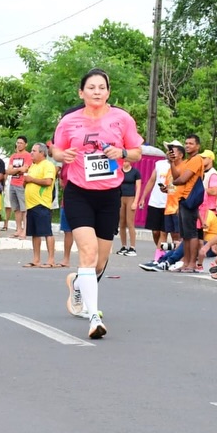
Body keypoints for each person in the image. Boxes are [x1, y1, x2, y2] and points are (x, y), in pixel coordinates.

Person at [51, 68, 143, 339]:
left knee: (100, 262)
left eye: (102, 87)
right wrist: (62, 155)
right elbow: (56, 149)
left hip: (109, 194)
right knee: (88, 254)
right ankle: (94, 317)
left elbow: (137, 152)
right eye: (91, 87)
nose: (97, 92)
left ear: (108, 92)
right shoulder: (69, 121)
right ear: (81, 92)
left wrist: (123, 152)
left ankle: (77, 283)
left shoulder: (122, 119)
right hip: (79, 192)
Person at [170, 134, 206, 273]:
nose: (188, 145)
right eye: (186, 143)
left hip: (190, 198)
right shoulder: (187, 161)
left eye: (191, 143)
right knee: (185, 234)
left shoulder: (197, 159)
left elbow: (182, 179)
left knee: (191, 233)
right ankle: (185, 261)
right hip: (183, 199)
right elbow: (176, 175)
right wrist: (172, 162)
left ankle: (192, 263)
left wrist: (174, 182)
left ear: (197, 146)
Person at [22, 142, 57, 267]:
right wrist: (26, 181)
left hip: (42, 203)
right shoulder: (32, 166)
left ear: (42, 153)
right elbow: (27, 182)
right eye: (31, 150)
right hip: (31, 205)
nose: (31, 152)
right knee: (35, 233)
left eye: (34, 151)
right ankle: (36, 260)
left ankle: (51, 260)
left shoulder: (47, 165)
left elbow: (48, 181)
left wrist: (31, 179)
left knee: (47, 232)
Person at [116, 157, 142, 257]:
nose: (124, 163)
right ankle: (123, 246)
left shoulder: (135, 172)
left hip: (130, 197)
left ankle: (133, 246)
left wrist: (136, 201)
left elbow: (138, 187)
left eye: (126, 161)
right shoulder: (119, 171)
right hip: (120, 198)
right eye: (123, 161)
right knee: (121, 223)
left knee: (130, 222)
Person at [6, 136, 31, 238]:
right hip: (13, 183)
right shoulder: (13, 156)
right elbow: (8, 171)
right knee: (16, 208)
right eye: (18, 142)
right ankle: (18, 229)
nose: (19, 144)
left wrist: (15, 170)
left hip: (22, 184)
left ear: (26, 144)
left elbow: (25, 169)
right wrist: (18, 169)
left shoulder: (28, 156)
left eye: (21, 143)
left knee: (24, 209)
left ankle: (25, 230)